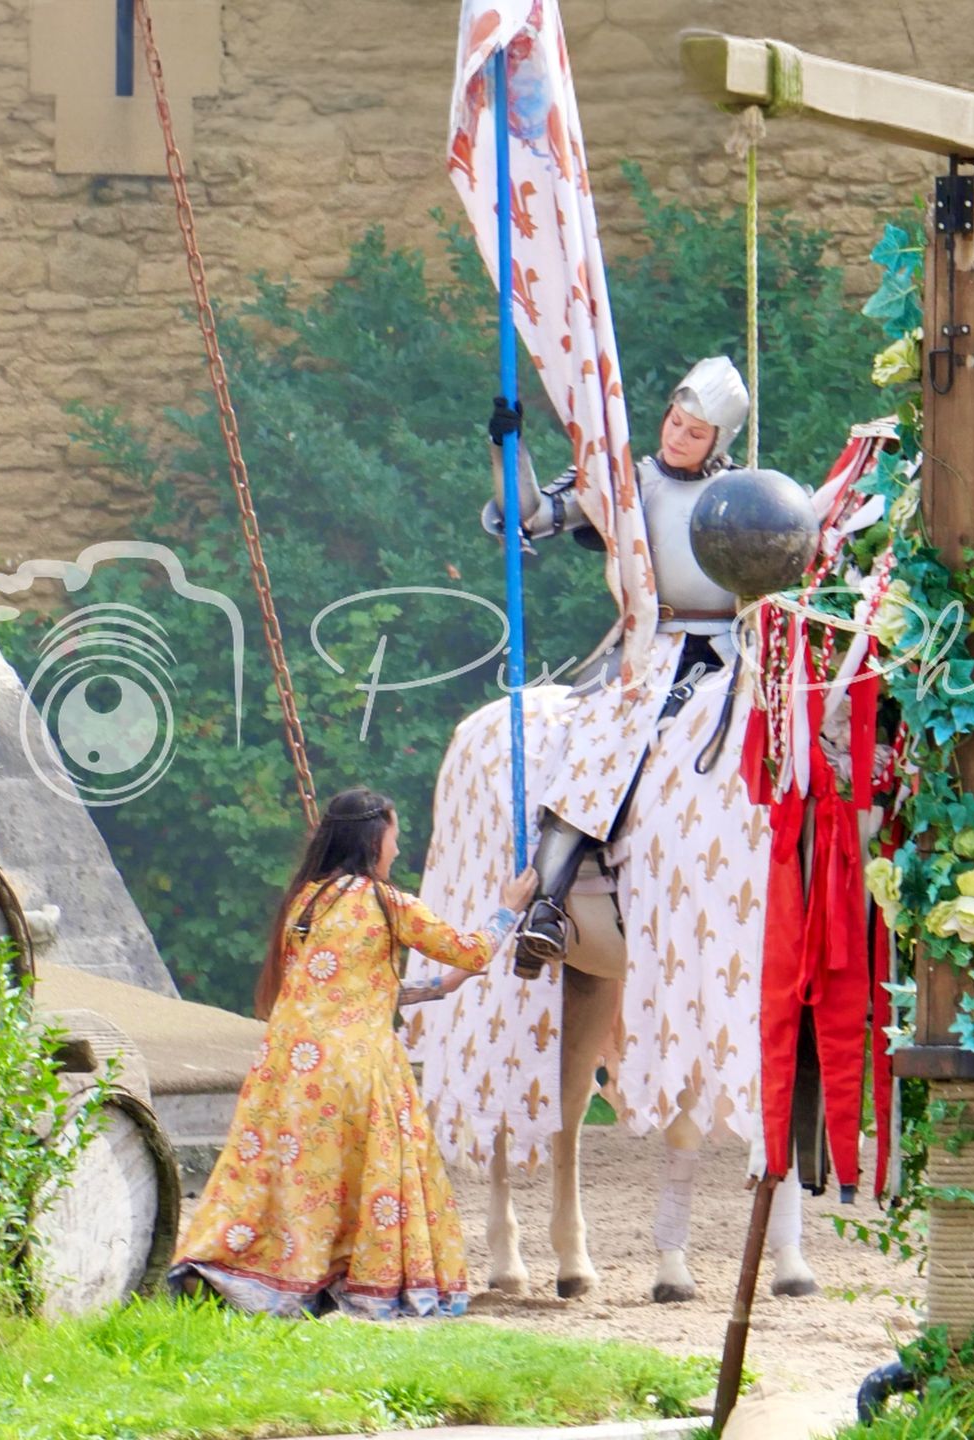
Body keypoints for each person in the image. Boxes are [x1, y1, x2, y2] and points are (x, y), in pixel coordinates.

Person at [170, 788, 537, 1320]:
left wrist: (439, 987)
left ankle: (244, 1269)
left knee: (286, 1176)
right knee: (364, 1178)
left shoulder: (304, 901)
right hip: (354, 1067)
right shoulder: (388, 903)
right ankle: (364, 1282)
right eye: (394, 836)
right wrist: (509, 909)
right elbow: (471, 949)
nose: (397, 848)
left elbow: (346, 987)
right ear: (373, 839)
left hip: (288, 1065)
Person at [482, 355, 750, 971]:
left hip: (737, 652)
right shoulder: (628, 486)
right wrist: (507, 451)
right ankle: (546, 908)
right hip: (652, 650)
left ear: (720, 440)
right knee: (600, 742)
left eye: (695, 432)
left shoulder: (746, 494)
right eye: (675, 422)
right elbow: (532, 516)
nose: (677, 437)